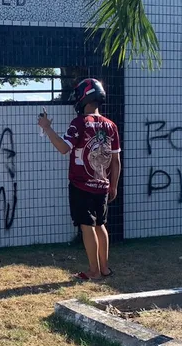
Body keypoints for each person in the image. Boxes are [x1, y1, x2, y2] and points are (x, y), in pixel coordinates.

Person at [38, 78, 121, 281]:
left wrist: (47, 128)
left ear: (85, 97)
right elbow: (116, 160)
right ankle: (105, 269)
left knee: (87, 226)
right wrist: (114, 186)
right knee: (101, 225)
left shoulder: (79, 123)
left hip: (81, 184)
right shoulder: (111, 126)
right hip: (103, 183)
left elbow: (63, 148)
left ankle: (93, 271)